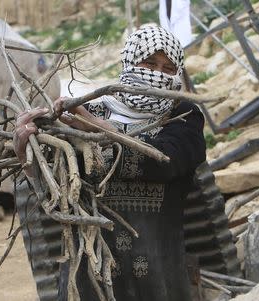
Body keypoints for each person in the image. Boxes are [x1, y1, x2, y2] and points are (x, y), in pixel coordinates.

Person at [13, 26, 206, 301]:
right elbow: (58, 190)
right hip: (91, 276)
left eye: (167, 68)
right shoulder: (88, 110)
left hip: (158, 276)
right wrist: (28, 156)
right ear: (129, 62)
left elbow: (165, 161)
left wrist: (101, 129)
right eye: (149, 63)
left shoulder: (183, 117)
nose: (158, 74)